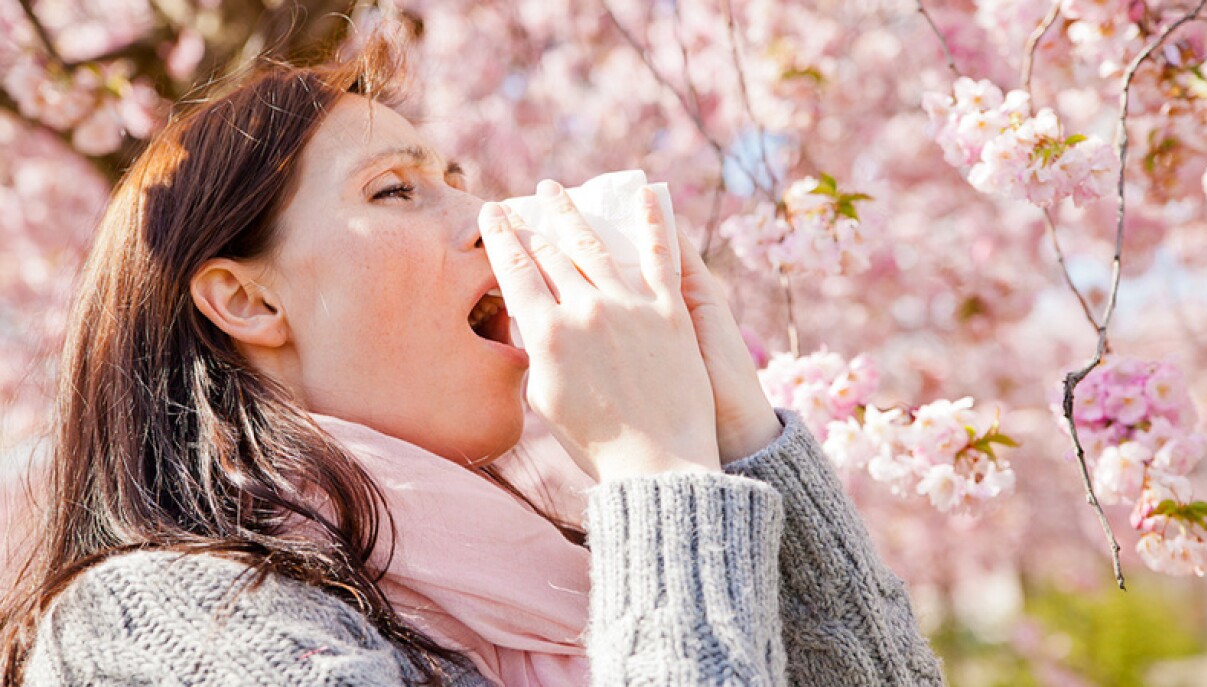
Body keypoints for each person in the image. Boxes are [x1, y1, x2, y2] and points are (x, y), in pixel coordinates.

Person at [0, 35, 945, 686]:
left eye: (460, 178)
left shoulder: (569, 574)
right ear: (250, 301)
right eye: (397, 189)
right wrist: (657, 478)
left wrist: (740, 431)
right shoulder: (156, 620)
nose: (492, 219)